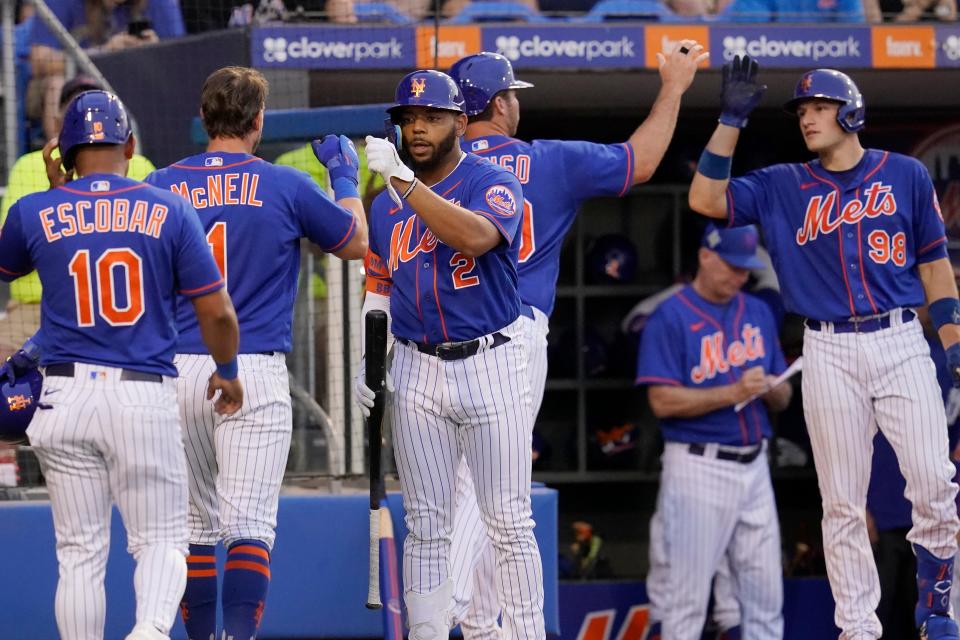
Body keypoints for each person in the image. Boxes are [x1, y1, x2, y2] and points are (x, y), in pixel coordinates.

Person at [688, 57, 960, 639]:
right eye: (802, 110)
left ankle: (936, 610)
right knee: (841, 503)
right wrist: (730, 121)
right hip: (828, 348)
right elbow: (706, 201)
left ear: (851, 110)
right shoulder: (783, 183)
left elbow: (935, 267)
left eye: (819, 107)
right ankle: (858, 628)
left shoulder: (905, 173)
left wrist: (953, 342)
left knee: (936, 484)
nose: (808, 118)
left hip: (900, 338)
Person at [444, 46, 707, 637]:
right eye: (513, 95)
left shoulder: (438, 169)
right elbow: (640, 162)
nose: (517, 105)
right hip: (511, 341)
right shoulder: (549, 161)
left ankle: (482, 621)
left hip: (439, 341)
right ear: (500, 104)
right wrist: (674, 86)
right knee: (489, 490)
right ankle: (443, 609)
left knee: (483, 491)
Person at [0, 89, 242, 640]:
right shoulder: (169, 206)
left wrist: (60, 195)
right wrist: (226, 370)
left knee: (80, 554)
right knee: (160, 539)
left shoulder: (33, 209)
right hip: (141, 393)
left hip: (63, 396)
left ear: (61, 152)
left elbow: (17, 258)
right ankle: (149, 633)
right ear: (129, 145)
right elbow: (218, 312)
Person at [145, 66, 367, 640]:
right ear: (258, 121)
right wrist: (343, 176)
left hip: (174, 370)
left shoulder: (162, 184)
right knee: (246, 526)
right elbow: (356, 242)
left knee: (192, 526)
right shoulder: (283, 184)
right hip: (250, 368)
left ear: (205, 118)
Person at [356, 69, 542, 640]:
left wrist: (405, 187)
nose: (417, 128)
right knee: (428, 526)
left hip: (492, 361)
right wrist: (369, 360)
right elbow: (379, 283)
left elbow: (477, 237)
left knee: (508, 521)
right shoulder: (382, 200)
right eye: (409, 119)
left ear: (461, 122)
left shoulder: (490, 179)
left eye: (432, 117)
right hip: (415, 366)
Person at [635, 224, 791, 640]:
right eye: (732, 267)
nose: (740, 276)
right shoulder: (670, 315)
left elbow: (784, 395)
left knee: (765, 598)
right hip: (698, 466)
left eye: (745, 270)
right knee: (685, 602)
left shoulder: (757, 311)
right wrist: (733, 392)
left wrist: (774, 390)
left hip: (755, 465)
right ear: (706, 256)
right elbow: (661, 402)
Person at [0, 74, 155, 360]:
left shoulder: (142, 166)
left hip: (124, 306)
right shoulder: (26, 165)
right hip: (36, 311)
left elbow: (8, 262)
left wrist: (59, 201)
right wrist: (60, 194)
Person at [29, 0, 185, 142]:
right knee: (56, 85)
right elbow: (39, 60)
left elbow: (181, 59)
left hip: (135, 81)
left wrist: (156, 51)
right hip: (75, 84)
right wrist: (104, 53)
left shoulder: (162, 3)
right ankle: (64, 161)